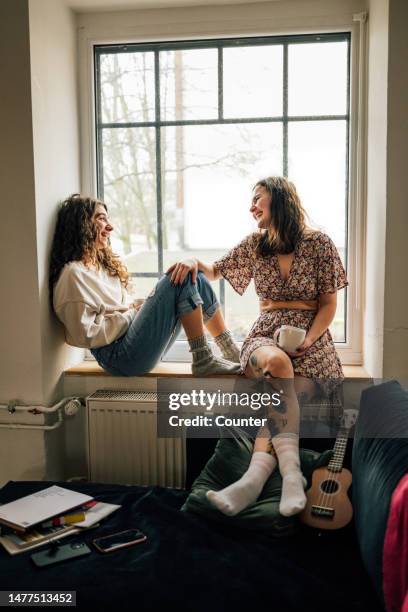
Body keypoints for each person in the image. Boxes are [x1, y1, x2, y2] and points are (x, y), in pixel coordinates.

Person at [167, 176, 348, 516]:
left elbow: (328, 304)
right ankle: (292, 476)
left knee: (281, 400)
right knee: (278, 368)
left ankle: (251, 483)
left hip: (313, 340)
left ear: (279, 199)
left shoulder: (320, 243)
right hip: (265, 334)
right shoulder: (254, 244)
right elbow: (215, 270)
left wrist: (308, 340)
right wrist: (193, 262)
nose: (251, 207)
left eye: (257, 199)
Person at [49, 194, 241, 377]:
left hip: (136, 346)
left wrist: (138, 307)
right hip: (119, 357)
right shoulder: (73, 275)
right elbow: (83, 335)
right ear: (81, 224)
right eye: (101, 219)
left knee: (196, 275)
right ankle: (203, 358)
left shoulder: (103, 267)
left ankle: (231, 351)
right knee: (180, 276)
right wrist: (133, 314)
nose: (110, 227)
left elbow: (118, 309)